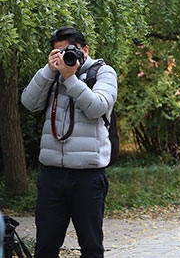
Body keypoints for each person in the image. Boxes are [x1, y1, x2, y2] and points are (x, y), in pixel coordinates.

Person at [21, 27, 118, 258]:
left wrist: (70, 78)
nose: (64, 58)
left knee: (91, 247)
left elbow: (97, 107)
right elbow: (28, 102)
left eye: (68, 51)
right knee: (45, 247)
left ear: (84, 50)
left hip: (88, 176)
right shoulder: (51, 74)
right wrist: (48, 70)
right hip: (52, 174)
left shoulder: (103, 73)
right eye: (57, 53)